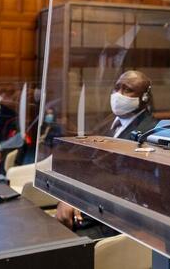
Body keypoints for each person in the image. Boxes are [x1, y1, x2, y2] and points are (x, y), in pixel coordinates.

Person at [56, 70, 157, 233]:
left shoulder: (150, 132)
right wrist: (68, 197)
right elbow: (81, 161)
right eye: (117, 88)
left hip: (112, 219)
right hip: (83, 205)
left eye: (127, 89)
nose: (119, 94)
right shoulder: (107, 123)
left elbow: (126, 184)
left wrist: (79, 202)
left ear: (144, 98)